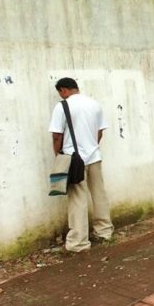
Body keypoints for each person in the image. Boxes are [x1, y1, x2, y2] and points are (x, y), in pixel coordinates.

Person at [49, 77, 114, 252]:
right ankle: (104, 232)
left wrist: (59, 156)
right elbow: (100, 132)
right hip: (94, 156)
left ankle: (79, 242)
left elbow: (57, 136)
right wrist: (91, 148)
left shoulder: (62, 106)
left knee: (77, 199)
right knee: (99, 195)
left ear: (63, 90)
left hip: (73, 159)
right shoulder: (94, 104)